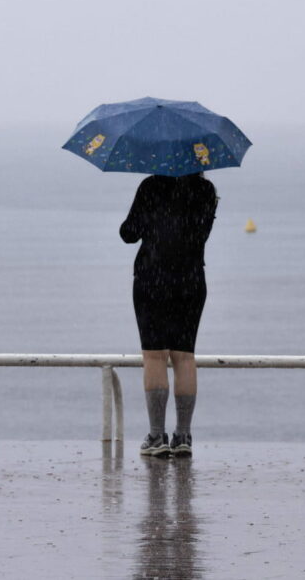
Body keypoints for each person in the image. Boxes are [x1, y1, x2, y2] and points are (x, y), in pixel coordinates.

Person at [120, 173, 217, 458]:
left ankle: (156, 436)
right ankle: (183, 436)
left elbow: (129, 233)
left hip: (153, 279)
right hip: (191, 281)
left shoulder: (152, 185)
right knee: (184, 356)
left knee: (154, 356)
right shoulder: (205, 190)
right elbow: (198, 234)